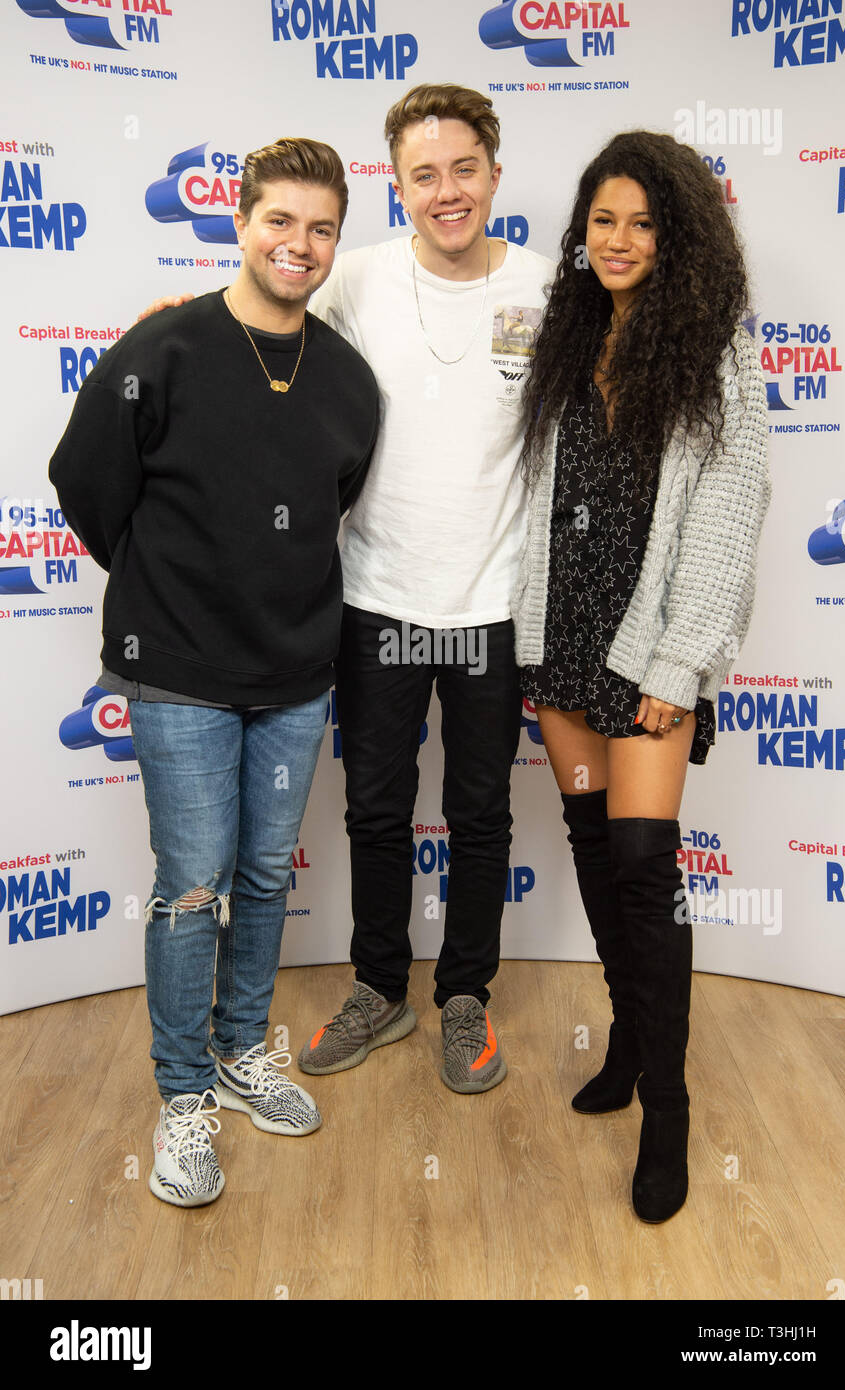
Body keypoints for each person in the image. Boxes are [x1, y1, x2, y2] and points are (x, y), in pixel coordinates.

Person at [49, 138, 379, 1206]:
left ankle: (244, 1054)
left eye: (320, 227)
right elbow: (85, 480)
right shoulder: (168, 346)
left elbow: (335, 506)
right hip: (178, 670)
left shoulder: (343, 378)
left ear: (336, 239)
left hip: (294, 673)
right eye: (278, 220)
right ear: (238, 222)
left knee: (262, 878)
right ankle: (183, 1096)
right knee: (192, 891)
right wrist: (163, 583)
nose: (299, 244)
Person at [513, 132, 770, 1221]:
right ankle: (625, 1038)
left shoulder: (713, 351)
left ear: (678, 237)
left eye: (641, 223)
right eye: (601, 221)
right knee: (587, 843)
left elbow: (727, 514)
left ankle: (664, 1106)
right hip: (564, 637)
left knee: (641, 862)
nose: (616, 241)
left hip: (647, 649)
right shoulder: (567, 343)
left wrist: (680, 661)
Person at [294, 85, 554, 1093]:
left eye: (462, 169)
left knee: (482, 811)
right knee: (374, 808)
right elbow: (254, 327)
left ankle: (464, 997)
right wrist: (164, 334)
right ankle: (379, 986)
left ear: (492, 170)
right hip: (378, 597)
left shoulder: (543, 286)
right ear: (394, 183)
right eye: (422, 174)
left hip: (491, 606)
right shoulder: (352, 279)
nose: (445, 192)